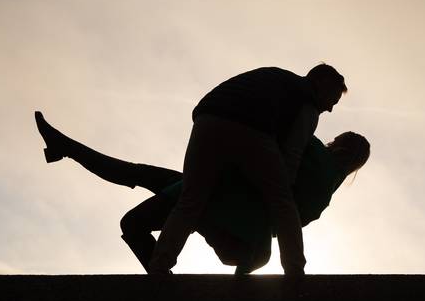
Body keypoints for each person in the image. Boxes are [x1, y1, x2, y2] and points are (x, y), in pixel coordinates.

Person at [34, 111, 369, 274]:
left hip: (211, 196)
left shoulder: (307, 146)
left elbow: (262, 130)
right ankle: (66, 147)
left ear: (337, 143)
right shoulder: (323, 197)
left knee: (133, 207)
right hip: (230, 218)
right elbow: (287, 223)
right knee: (137, 180)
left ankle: (165, 288)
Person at [147, 65, 348, 276]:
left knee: (190, 200)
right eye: (332, 100)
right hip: (252, 129)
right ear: (322, 83)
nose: (330, 108)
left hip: (207, 119)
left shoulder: (276, 76)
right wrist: (283, 183)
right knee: (283, 204)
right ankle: (295, 269)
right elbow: (293, 151)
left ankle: (160, 264)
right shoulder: (308, 101)